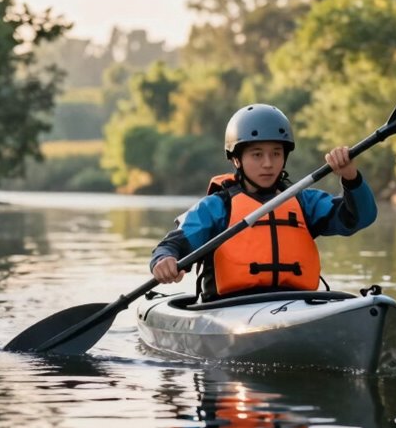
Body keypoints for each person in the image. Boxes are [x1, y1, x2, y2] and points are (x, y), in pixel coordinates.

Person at [150, 103, 378, 302]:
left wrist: (351, 177)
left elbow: (359, 218)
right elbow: (172, 245)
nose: (268, 163)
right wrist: (165, 260)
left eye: (276, 153)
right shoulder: (216, 207)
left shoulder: (304, 202)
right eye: (257, 155)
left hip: (297, 305)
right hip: (229, 310)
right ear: (237, 159)